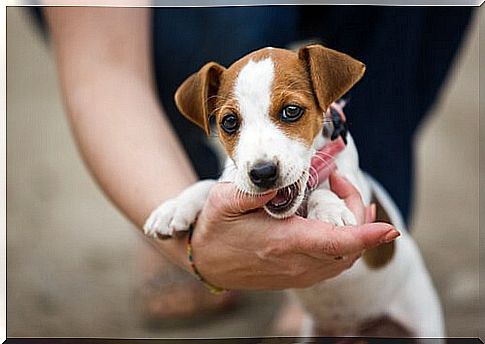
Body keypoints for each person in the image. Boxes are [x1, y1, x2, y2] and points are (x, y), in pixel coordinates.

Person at [41, 6, 472, 326]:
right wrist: (188, 206)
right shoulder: (240, 143)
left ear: (327, 102)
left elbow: (339, 183)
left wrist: (323, 201)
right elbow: (103, 68)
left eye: (290, 113)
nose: (261, 158)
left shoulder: (336, 137)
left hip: (397, 299)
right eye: (231, 123)